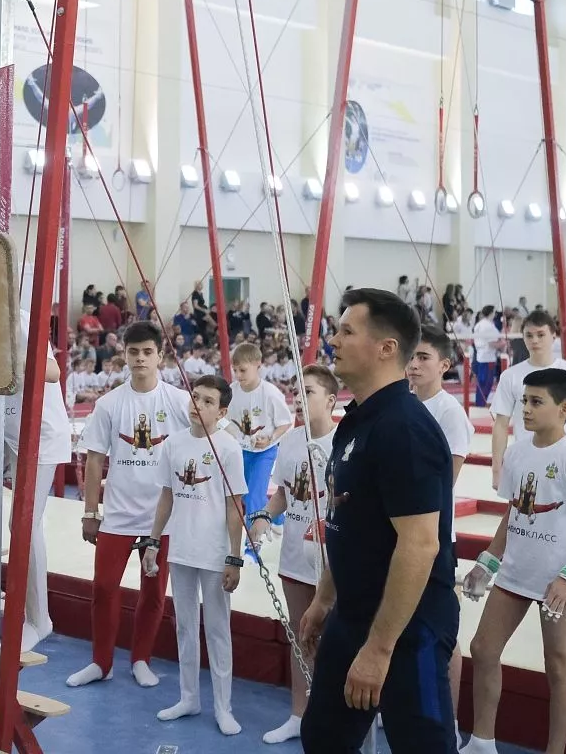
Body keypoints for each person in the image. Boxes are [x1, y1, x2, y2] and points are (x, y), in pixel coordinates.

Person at [298, 288, 459, 752]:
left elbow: (420, 545)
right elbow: (347, 519)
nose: (334, 339)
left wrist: (380, 648)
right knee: (323, 738)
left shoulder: (404, 429)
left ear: (386, 348)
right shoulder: (358, 421)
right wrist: (325, 598)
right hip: (354, 614)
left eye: (347, 331)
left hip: (409, 629)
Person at [461, 368, 566, 754]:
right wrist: (488, 560)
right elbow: (515, 512)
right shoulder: (519, 451)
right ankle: (481, 741)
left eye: (536, 402)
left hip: (558, 583)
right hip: (515, 574)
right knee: (483, 649)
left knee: (558, 666)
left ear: (565, 409)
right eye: (524, 400)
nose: (525, 409)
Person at [67, 321, 192, 689]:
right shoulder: (109, 404)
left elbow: (204, 442)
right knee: (104, 587)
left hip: (161, 518)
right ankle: (100, 662)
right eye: (134, 352)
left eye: (147, 352)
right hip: (119, 514)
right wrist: (90, 512)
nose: (140, 358)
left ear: (160, 357)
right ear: (124, 355)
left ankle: (141, 659)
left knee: (153, 593)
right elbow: (93, 460)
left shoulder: (178, 402)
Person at [141, 375, 246, 733]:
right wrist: (153, 542)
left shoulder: (229, 448)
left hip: (215, 554)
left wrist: (235, 557)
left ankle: (224, 706)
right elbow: (167, 497)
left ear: (221, 411)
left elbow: (235, 507)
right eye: (195, 398)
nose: (196, 405)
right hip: (181, 550)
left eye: (206, 402)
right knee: (185, 627)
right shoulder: (173, 444)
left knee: (218, 630)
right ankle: (189, 697)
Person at [250, 364, 339, 745]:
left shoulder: (344, 441)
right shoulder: (289, 441)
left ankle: (339, 714)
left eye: (311, 391)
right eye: (297, 390)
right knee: (301, 635)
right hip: (293, 557)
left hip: (332, 562)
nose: (300, 398)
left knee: (337, 638)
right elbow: (286, 492)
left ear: (332, 400)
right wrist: (263, 517)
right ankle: (299, 714)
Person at [407, 324, 475, 737]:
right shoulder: (403, 405)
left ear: (444, 365)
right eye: (411, 358)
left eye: (424, 358)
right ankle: (401, 700)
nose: (414, 365)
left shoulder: (450, 415)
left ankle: (446, 719)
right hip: (397, 534)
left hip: (433, 538)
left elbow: (442, 483)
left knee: (439, 631)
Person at [3, 309, 72, 653]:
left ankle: (38, 618)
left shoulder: (16, 320)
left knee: (23, 525)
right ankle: (10, 603)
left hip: (40, 435)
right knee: (3, 521)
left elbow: (51, 371)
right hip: (10, 432)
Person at [490, 310, 566, 492]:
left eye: (541, 335)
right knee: (526, 516)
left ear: (553, 336)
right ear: (523, 337)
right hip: (527, 459)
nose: (535, 340)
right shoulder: (510, 376)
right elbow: (500, 425)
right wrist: (496, 471)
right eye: (529, 335)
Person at [225, 342, 292, 546]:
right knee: (245, 494)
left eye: (243, 370)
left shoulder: (270, 393)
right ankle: (279, 517)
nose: (238, 375)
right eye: (235, 370)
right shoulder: (232, 391)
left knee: (254, 495)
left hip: (265, 451)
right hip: (242, 450)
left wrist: (269, 439)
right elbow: (224, 419)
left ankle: (253, 544)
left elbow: (286, 422)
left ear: (258, 365)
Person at [472, 305, 502, 407]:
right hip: (488, 357)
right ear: (491, 313)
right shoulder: (488, 326)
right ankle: (480, 403)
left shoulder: (479, 324)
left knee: (482, 381)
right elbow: (491, 343)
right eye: (494, 312)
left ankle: (480, 402)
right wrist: (503, 344)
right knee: (486, 382)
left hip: (481, 356)